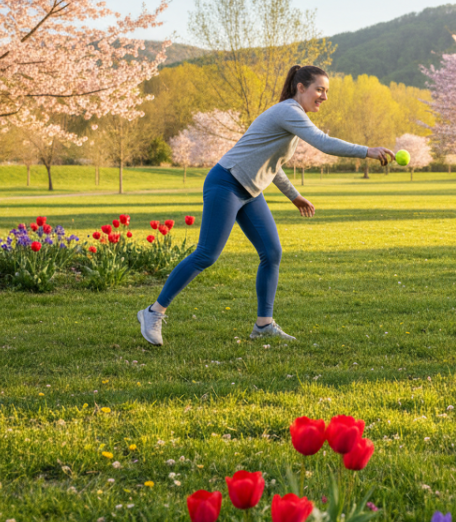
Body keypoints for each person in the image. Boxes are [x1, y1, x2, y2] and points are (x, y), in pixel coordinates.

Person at [137, 65, 394, 346]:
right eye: (320, 89)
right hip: (226, 183)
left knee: (271, 253)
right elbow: (323, 142)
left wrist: (293, 195)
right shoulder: (289, 111)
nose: (324, 96)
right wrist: (367, 151)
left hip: (249, 191)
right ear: (300, 87)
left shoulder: (292, 117)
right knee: (206, 255)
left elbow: (274, 165)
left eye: (327, 91)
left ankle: (263, 325)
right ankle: (153, 312)